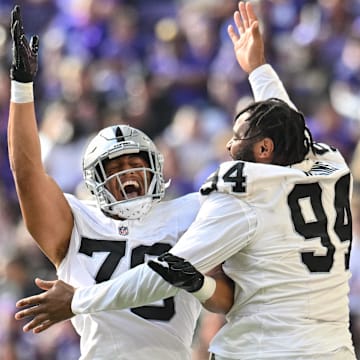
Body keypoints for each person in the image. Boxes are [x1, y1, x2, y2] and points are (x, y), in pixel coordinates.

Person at [14, 2, 356, 359]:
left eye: (135, 163)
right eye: (115, 168)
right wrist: (258, 69)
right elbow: (287, 127)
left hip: (264, 348)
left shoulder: (215, 203)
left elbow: (195, 289)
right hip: (329, 346)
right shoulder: (329, 165)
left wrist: (80, 301)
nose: (228, 146)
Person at [7, 5, 235, 360]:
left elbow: (225, 299)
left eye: (136, 163)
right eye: (115, 167)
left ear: (156, 169)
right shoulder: (76, 221)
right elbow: (26, 171)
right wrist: (22, 88)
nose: (128, 172)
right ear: (96, 181)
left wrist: (196, 281)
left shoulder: (190, 211)